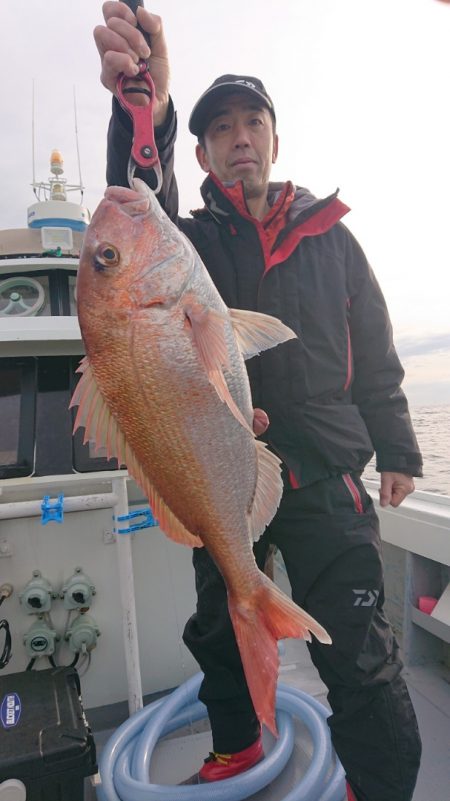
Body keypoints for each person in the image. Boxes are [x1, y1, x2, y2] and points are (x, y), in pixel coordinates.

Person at [94, 5, 423, 800]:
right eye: (221, 130)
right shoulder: (191, 243)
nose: (240, 137)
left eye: (253, 123)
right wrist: (147, 109)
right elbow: (139, 204)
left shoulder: (335, 239)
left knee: (359, 645)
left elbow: (375, 353)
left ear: (275, 141)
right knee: (218, 626)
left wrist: (401, 451)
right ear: (203, 152)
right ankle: (239, 743)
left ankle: (378, 785)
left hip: (327, 473)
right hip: (226, 472)